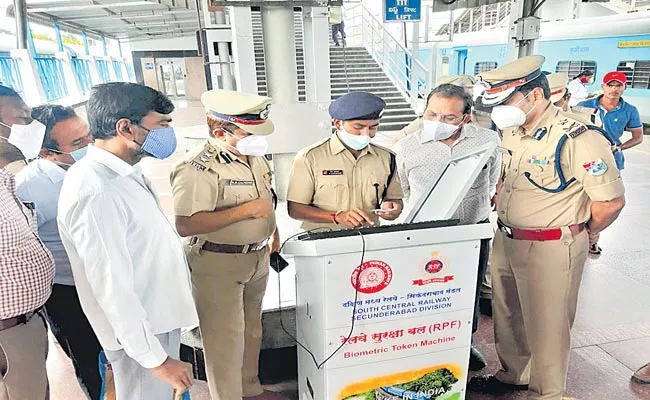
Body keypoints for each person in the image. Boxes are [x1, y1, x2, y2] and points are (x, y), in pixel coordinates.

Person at [468, 56, 626, 400]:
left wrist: (586, 231)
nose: (500, 111)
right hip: (507, 237)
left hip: (553, 245)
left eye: (506, 101)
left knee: (549, 326)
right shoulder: (512, 130)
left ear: (535, 96)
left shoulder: (579, 138)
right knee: (507, 313)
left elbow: (610, 202)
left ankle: (548, 393)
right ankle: (514, 374)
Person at [57, 82, 198, 400]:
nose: (168, 133)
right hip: (139, 336)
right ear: (125, 128)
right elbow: (111, 286)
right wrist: (156, 360)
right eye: (161, 125)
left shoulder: (125, 174)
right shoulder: (96, 191)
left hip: (154, 321)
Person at [170, 89, 285, 400]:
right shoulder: (197, 167)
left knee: (251, 331)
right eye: (248, 132)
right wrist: (245, 211)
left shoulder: (254, 156)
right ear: (220, 132)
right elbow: (187, 224)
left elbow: (267, 199)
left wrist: (271, 233)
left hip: (257, 257)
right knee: (224, 340)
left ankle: (250, 390)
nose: (257, 138)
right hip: (217, 262)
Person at [394, 83, 501, 372]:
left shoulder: (488, 140)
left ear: (466, 117)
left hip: (472, 232)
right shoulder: (406, 146)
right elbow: (403, 191)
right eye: (432, 114)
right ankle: (423, 343)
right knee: (425, 291)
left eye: (449, 117)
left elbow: (491, 183)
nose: (438, 122)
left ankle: (464, 343)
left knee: (470, 289)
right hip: (424, 235)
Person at [15, 105, 103, 399]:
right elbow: (26, 244)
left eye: (88, 137)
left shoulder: (100, 168)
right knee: (89, 358)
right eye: (77, 144)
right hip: (67, 290)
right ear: (46, 153)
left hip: (108, 280)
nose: (90, 146)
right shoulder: (29, 187)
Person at [0, 85, 55, 400]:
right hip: (7, 333)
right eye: (23, 118)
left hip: (26, 323)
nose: (32, 128)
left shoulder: (7, 179)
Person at [287, 91, 403, 230]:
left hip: (369, 238)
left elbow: (393, 198)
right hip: (323, 240)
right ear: (337, 123)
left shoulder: (386, 158)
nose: (366, 134)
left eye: (373, 127)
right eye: (358, 127)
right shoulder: (309, 158)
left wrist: (393, 207)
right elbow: (295, 209)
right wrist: (336, 217)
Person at [577, 71, 643, 172]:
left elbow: (638, 137)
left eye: (619, 85)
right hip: (586, 158)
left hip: (613, 159)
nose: (614, 89)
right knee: (587, 186)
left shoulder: (630, 110)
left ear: (625, 87)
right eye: (610, 85)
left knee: (610, 186)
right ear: (603, 86)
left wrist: (619, 148)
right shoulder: (583, 105)